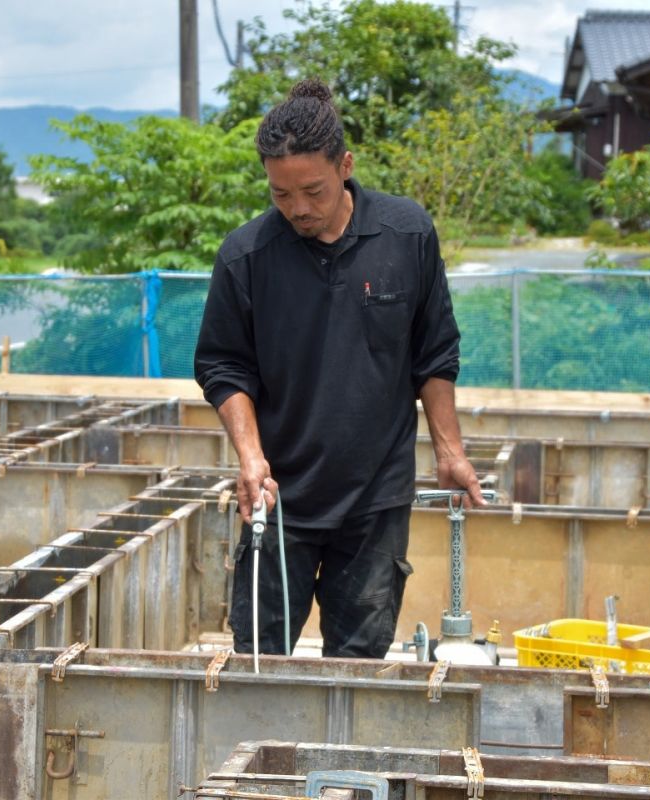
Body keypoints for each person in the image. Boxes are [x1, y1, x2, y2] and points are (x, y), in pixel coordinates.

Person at [194, 79, 484, 659]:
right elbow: (224, 366)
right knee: (259, 657)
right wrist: (251, 459)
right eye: (281, 195)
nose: (298, 208)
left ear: (345, 166)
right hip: (279, 499)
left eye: (313, 190)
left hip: (374, 498)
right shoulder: (246, 256)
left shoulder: (406, 235)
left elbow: (434, 351)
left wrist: (449, 451)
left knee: (358, 662)